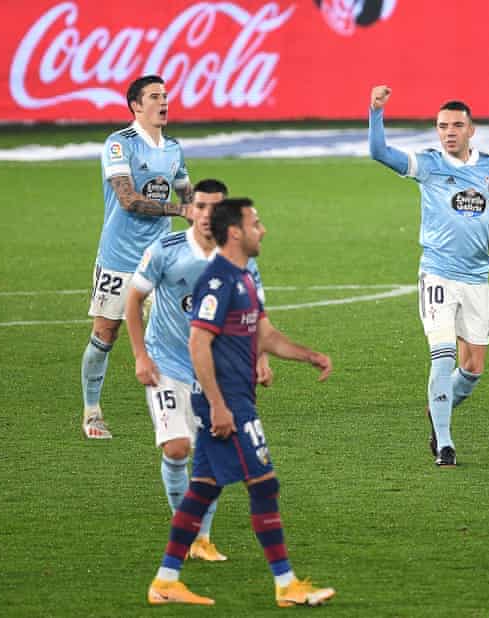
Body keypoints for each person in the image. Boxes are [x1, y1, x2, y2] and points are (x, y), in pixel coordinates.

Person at [147, 198, 336, 607]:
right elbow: (198, 342)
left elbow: (264, 336)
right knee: (264, 485)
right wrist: (216, 405)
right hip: (226, 404)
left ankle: (165, 581)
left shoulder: (245, 277)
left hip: (235, 399)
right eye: (256, 223)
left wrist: (309, 356)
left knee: (201, 491)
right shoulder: (217, 283)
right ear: (235, 232)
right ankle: (286, 585)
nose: (262, 230)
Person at [368, 85, 489, 467]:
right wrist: (376, 111)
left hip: (477, 279)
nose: (449, 132)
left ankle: (437, 407)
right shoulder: (428, 164)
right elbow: (379, 153)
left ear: (471, 130)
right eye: (443, 126)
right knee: (441, 355)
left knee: (472, 368)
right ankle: (444, 442)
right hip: (438, 274)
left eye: (457, 125)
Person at [125, 179, 273, 563]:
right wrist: (141, 356)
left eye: (216, 208)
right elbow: (134, 299)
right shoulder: (166, 250)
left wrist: (260, 358)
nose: (208, 215)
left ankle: (201, 539)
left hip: (213, 371)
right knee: (177, 449)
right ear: (189, 208)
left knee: (210, 456)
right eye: (201, 206)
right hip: (166, 363)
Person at [80, 74, 193, 439]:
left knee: (177, 332)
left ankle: (186, 409)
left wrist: (204, 212)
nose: (164, 102)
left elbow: (188, 195)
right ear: (136, 105)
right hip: (118, 256)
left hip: (161, 258)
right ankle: (92, 411)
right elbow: (129, 200)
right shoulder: (119, 144)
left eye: (165, 95)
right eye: (155, 96)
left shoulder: (174, 148)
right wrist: (179, 210)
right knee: (105, 332)